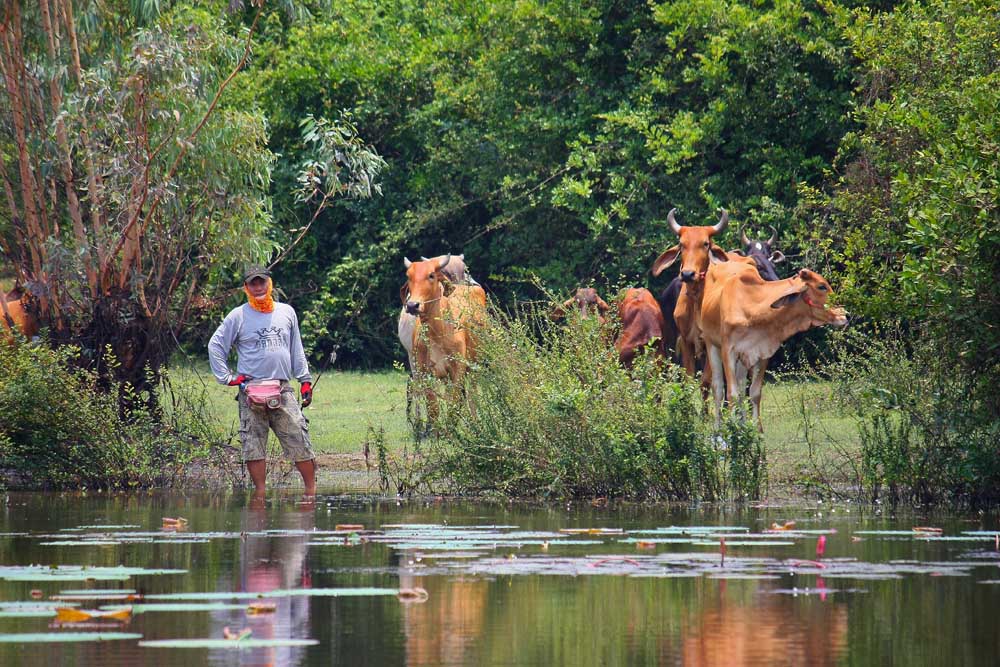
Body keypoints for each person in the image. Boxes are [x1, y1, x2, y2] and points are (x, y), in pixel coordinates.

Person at [208, 266, 317, 496]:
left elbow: (296, 348)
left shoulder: (287, 312)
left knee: (298, 437)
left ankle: (311, 492)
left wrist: (304, 380)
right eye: (253, 284)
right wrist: (228, 378)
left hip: (282, 389)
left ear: (270, 284)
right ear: (246, 288)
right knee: (253, 446)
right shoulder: (238, 315)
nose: (258, 287)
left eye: (262, 282)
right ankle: (259, 496)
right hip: (251, 391)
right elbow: (215, 346)